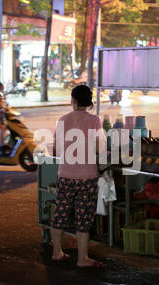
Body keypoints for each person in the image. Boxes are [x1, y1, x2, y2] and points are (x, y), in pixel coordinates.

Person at [51, 84, 107, 268]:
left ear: (73, 100)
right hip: (87, 177)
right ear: (89, 101)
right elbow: (100, 148)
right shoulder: (95, 121)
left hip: (65, 175)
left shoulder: (62, 120)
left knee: (60, 213)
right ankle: (83, 258)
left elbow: (55, 150)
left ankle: (56, 252)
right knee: (84, 218)